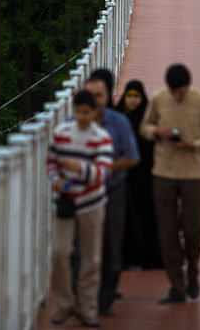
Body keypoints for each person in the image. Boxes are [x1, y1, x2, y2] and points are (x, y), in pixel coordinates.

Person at [140, 64, 200, 303]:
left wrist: (194, 144)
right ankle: (177, 287)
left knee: (193, 230)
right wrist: (158, 131)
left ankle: (193, 272)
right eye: (173, 91)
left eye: (180, 91)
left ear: (188, 86)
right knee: (167, 234)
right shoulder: (158, 98)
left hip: (192, 173)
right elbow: (144, 128)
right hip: (163, 172)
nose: (176, 95)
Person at [47, 90, 113, 327]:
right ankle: (64, 304)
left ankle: (88, 308)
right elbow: (51, 162)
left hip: (91, 203)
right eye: (77, 112)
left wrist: (79, 168)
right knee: (59, 252)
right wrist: (56, 180)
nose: (81, 117)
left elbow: (103, 172)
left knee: (91, 258)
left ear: (94, 112)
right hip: (65, 200)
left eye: (86, 112)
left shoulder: (101, 137)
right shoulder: (61, 133)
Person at [86, 71, 140, 318]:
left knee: (110, 245)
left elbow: (131, 157)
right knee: (79, 246)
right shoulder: (73, 121)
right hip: (82, 191)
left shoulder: (119, 123)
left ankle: (105, 298)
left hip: (112, 189)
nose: (94, 101)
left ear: (108, 96)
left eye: (99, 95)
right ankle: (85, 299)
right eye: (90, 95)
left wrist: (102, 170)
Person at [117, 80, 164, 269]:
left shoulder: (149, 120)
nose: (133, 101)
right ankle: (126, 257)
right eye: (129, 96)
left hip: (145, 176)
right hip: (124, 175)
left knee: (146, 214)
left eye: (136, 97)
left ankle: (148, 257)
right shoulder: (119, 118)